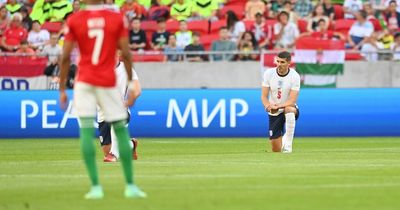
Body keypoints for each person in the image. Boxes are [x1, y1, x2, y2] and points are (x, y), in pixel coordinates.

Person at [58, 0, 146, 199]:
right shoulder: (115, 18)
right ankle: (130, 186)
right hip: (106, 79)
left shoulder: (75, 19)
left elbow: (65, 57)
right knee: (118, 134)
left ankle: (95, 187)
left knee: (86, 132)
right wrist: (131, 84)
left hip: (85, 80)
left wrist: (62, 88)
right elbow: (127, 53)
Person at [99, 60, 141, 162]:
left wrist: (127, 102)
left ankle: (114, 154)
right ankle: (131, 144)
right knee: (106, 149)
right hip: (102, 113)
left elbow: (137, 89)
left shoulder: (127, 69)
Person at [261, 51, 300, 153]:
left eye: (282, 62)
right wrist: (267, 106)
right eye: (277, 61)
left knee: (290, 109)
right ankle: (283, 141)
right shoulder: (269, 73)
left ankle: (288, 146)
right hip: (274, 111)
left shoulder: (294, 76)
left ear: (288, 63)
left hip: (287, 106)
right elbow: (264, 96)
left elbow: (292, 100)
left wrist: (279, 106)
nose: (279, 64)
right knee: (276, 149)